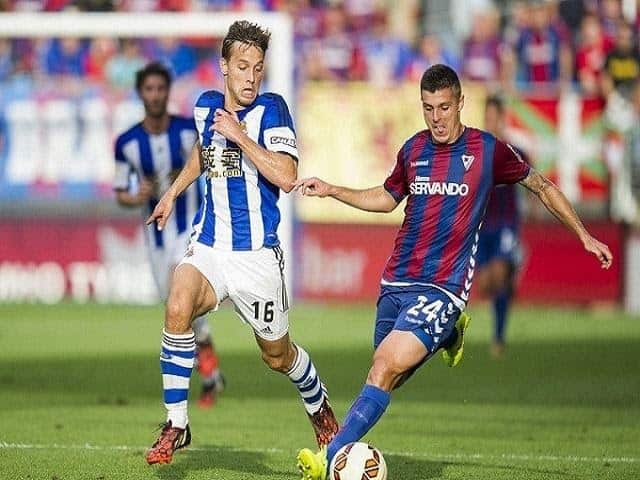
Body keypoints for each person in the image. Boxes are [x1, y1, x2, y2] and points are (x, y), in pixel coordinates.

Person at [295, 64, 613, 480]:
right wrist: (334, 189)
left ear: (461, 103)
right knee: (391, 376)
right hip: (396, 281)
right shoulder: (412, 150)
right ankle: (448, 333)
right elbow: (387, 198)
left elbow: (542, 186)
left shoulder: (486, 151)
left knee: (383, 366)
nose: (436, 118)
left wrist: (584, 235)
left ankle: (328, 457)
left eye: (444, 107)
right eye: (428, 108)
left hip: (443, 287)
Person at [144, 21, 339, 465]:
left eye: (258, 68)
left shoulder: (273, 111)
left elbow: (287, 177)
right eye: (243, 67)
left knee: (278, 355)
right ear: (225, 68)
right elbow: (202, 151)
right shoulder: (205, 107)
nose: (251, 77)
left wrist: (241, 136)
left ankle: (318, 404)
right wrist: (172, 194)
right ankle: (177, 423)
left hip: (256, 258)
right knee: (177, 307)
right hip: (209, 244)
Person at [114, 62, 225, 409]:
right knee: (177, 310)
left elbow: (210, 159)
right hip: (156, 238)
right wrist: (137, 194)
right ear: (141, 94)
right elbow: (121, 192)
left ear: (168, 92)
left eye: (161, 89)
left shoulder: (188, 131)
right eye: (149, 89)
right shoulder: (127, 143)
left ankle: (189, 393)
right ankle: (211, 374)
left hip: (191, 228)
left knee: (185, 300)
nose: (156, 95)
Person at [475, 95, 526, 358]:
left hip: (506, 223)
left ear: (502, 118)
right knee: (486, 284)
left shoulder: (514, 151)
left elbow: (531, 182)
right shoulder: (477, 152)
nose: (490, 122)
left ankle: (498, 337)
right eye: (487, 117)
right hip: (483, 225)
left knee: (498, 274)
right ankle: (507, 285)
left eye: (494, 117)